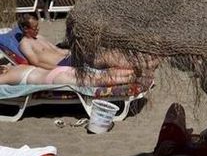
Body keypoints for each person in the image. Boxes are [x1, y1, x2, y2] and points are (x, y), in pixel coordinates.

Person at [17, 15, 158, 71]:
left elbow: (55, 49)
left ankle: (142, 59)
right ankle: (143, 65)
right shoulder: (25, 44)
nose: (37, 29)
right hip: (64, 64)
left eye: (37, 26)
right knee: (104, 58)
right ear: (25, 29)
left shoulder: (39, 37)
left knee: (107, 52)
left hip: (70, 57)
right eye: (34, 28)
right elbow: (36, 62)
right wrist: (63, 70)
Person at [0, 63, 144, 86]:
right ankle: (132, 72)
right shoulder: (15, 66)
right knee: (101, 74)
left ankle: (131, 77)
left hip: (53, 78)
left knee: (97, 80)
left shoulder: (7, 75)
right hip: (60, 70)